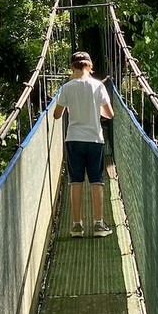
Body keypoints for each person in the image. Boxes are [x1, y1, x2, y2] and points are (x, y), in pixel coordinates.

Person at [53, 50, 114, 237]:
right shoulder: (98, 86)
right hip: (94, 139)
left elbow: (57, 114)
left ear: (72, 67)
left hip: (73, 139)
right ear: (90, 66)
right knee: (96, 180)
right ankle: (98, 225)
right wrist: (95, 110)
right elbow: (110, 114)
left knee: (75, 181)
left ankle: (76, 226)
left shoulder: (67, 88)